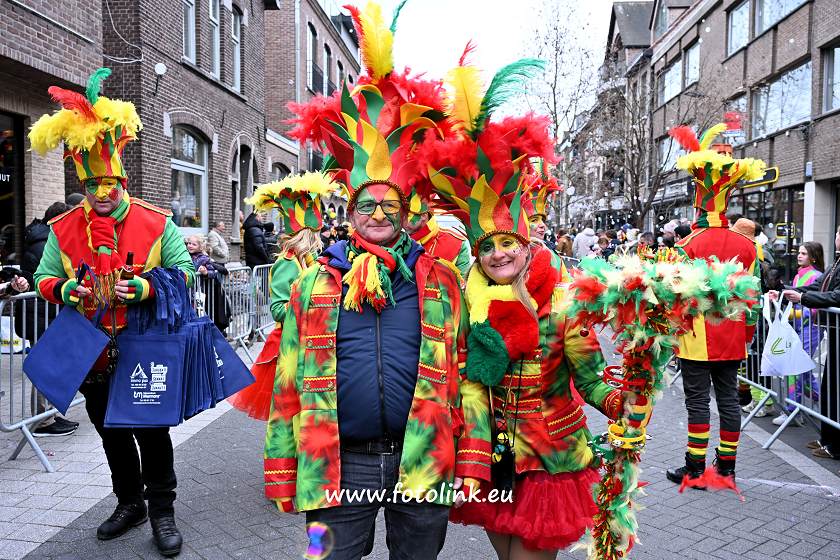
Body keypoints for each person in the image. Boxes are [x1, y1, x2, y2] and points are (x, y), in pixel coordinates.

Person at [265, 10, 490, 558]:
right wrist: (282, 467)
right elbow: (287, 379)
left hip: (425, 456)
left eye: (391, 205)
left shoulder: (440, 281)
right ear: (351, 211)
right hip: (337, 460)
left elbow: (465, 373)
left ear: (408, 212)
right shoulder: (313, 284)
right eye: (368, 205)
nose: (379, 214)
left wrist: (473, 456)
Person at [419, 63, 637, 559]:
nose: (498, 255)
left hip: (549, 459)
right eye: (487, 247)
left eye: (507, 244)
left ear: (525, 244)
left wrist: (622, 402)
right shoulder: (469, 305)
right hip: (494, 459)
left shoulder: (562, 303)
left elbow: (591, 380)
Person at [29, 68, 195, 557]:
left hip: (145, 346)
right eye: (93, 184)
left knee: (151, 432)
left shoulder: (156, 222)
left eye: (110, 183)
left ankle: (162, 511)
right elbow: (42, 279)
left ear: (122, 178)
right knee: (111, 433)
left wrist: (144, 287)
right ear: (83, 183)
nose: (102, 193)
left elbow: (186, 274)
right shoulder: (63, 229)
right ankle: (130, 503)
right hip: (92, 351)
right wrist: (68, 290)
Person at [664, 124, 764, 487]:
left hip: (696, 339)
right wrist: (747, 336)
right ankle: (727, 467)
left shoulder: (688, 244)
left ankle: (695, 468)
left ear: (698, 198)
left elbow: (674, 296)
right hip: (732, 338)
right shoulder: (748, 247)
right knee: (728, 401)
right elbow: (753, 300)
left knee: (697, 402)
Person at [228, 172, 335, 420]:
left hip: (305, 340)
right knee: (288, 413)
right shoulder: (288, 263)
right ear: (307, 236)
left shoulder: (307, 260)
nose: (319, 242)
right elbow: (277, 309)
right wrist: (311, 305)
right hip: (288, 345)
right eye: (316, 237)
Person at [772, 227, 840, 461]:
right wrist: (785, 293)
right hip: (831, 330)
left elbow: (835, 296)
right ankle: (828, 438)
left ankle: (834, 443)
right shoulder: (835, 263)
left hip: (829, 329)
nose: (836, 237)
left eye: (838, 234)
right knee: (828, 386)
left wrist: (802, 298)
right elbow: (817, 288)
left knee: (831, 387)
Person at [18, 201, 80, 437]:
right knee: (46, 366)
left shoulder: (42, 240)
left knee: (50, 364)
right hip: (42, 316)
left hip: (44, 315)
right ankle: (43, 420)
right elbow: (46, 280)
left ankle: (48, 415)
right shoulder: (46, 245)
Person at [772, 241, 825, 427]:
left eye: (804, 253)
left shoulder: (816, 276)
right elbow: (794, 300)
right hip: (797, 328)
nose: (799, 256)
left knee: (795, 366)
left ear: (814, 257)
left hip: (812, 328)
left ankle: (792, 411)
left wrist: (796, 313)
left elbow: (816, 307)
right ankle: (817, 401)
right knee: (801, 367)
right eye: (799, 253)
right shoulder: (797, 276)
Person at [402, 188, 472, 282]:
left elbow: (463, 286)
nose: (401, 220)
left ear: (423, 215)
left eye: (407, 215)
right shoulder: (394, 242)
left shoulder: (457, 243)